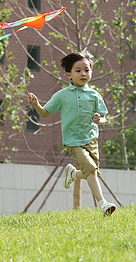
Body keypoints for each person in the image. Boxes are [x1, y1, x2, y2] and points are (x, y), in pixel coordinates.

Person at [28, 51, 116, 215]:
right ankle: (103, 203)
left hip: (92, 140)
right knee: (91, 169)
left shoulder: (94, 95)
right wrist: (37, 104)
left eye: (86, 70)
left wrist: (100, 120)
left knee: (93, 172)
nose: (83, 73)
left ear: (91, 72)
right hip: (73, 142)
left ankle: (73, 174)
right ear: (69, 74)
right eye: (78, 70)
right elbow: (45, 113)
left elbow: (104, 117)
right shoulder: (61, 96)